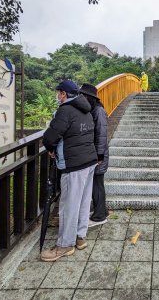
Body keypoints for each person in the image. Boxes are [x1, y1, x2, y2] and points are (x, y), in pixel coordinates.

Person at [41, 79, 97, 262]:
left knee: (68, 205)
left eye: (58, 92)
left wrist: (51, 147)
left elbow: (51, 136)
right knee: (83, 201)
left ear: (63, 94)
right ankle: (80, 237)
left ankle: (65, 245)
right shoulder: (86, 110)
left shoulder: (65, 110)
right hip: (89, 161)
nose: (57, 96)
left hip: (74, 165)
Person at [79, 83, 110, 227]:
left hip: (98, 155)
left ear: (90, 97)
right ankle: (102, 210)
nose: (82, 98)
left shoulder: (98, 111)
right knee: (96, 185)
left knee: (97, 185)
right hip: (95, 154)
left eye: (84, 96)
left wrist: (99, 156)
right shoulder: (94, 110)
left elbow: (102, 135)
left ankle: (99, 216)